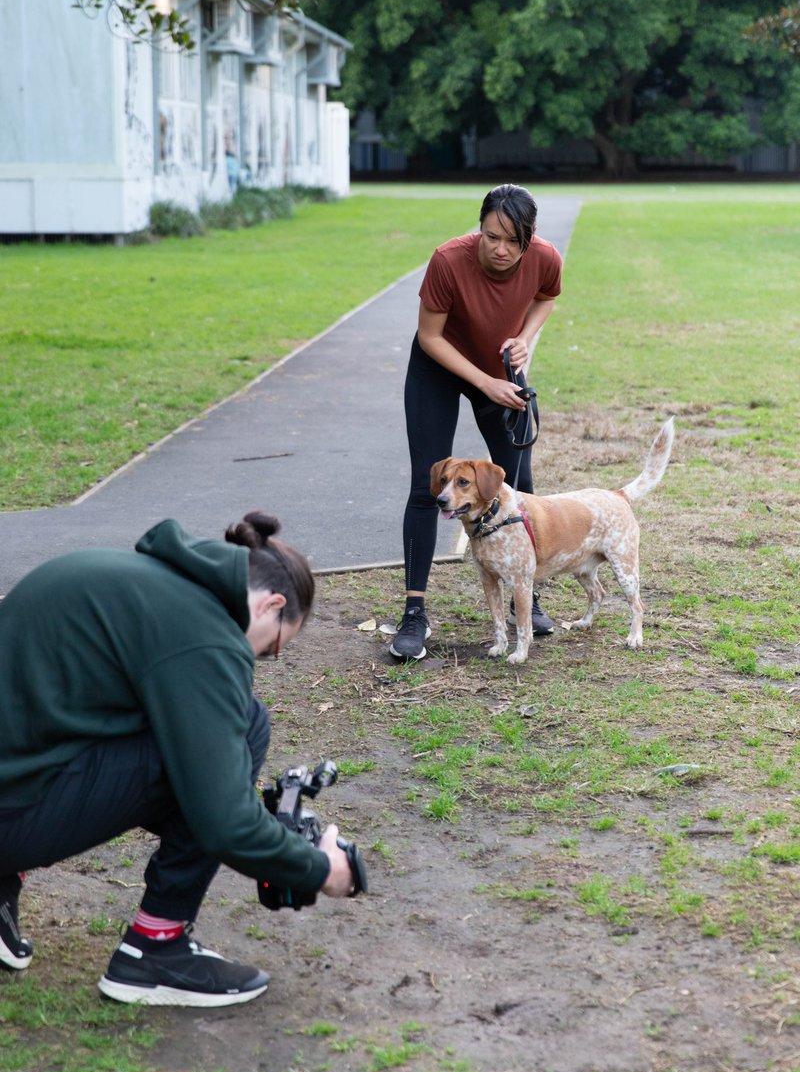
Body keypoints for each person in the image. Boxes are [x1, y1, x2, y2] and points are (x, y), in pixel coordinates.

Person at [0, 512, 355, 1007]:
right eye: (273, 648)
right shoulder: (203, 636)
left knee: (205, 734)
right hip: (11, 816)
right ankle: (155, 949)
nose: (262, 659)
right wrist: (321, 869)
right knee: (245, 725)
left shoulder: (142, 581)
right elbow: (225, 823)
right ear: (272, 605)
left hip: (18, 774)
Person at [390, 184, 563, 662]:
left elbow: (547, 296)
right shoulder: (448, 260)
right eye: (491, 237)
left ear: (530, 238)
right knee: (427, 486)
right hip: (438, 369)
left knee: (518, 484)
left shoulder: (545, 257)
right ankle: (414, 614)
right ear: (480, 228)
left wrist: (524, 338)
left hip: (499, 368)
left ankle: (527, 595)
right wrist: (485, 383)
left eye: (513, 241)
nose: (501, 249)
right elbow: (430, 336)